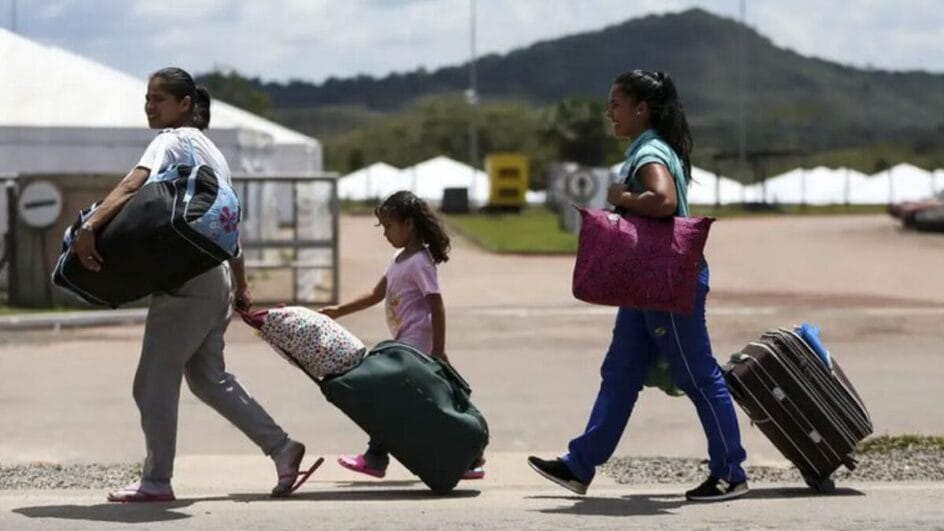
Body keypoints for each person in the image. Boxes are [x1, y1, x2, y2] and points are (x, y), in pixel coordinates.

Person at [72, 67, 312, 502]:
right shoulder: (212, 153)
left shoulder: (170, 140)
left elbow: (133, 184)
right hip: (213, 277)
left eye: (159, 99)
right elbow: (227, 222)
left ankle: (157, 480)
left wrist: (90, 227)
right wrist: (239, 284)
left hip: (186, 281)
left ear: (185, 105)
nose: (150, 106)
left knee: (151, 382)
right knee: (207, 378)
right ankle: (282, 448)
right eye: (147, 98)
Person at [527, 70, 749, 502]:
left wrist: (622, 197)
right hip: (644, 284)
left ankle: (730, 472)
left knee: (698, 375)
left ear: (640, 109)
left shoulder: (649, 152)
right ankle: (579, 465)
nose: (609, 112)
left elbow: (663, 201)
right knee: (620, 372)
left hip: (665, 282)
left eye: (615, 103)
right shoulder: (647, 149)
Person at [319, 190, 484, 479]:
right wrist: (338, 310)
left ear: (408, 224)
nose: (385, 233)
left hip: (417, 345)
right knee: (419, 404)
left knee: (392, 399)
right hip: (405, 343)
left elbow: (436, 303)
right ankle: (468, 459)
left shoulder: (420, 261)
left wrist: (439, 349)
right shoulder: (398, 259)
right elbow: (375, 294)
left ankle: (376, 457)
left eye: (389, 226)